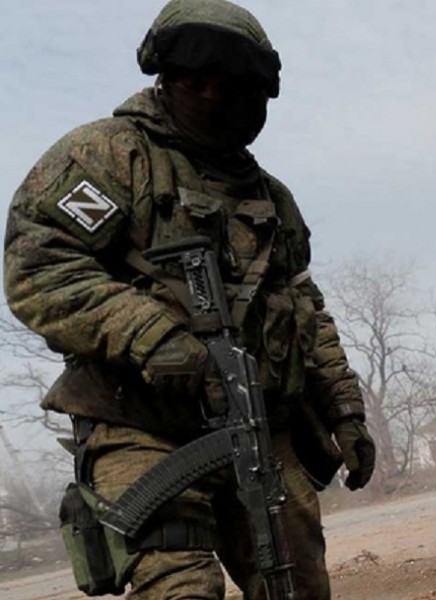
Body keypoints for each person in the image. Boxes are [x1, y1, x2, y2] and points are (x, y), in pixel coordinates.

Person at [4, 1, 376, 598]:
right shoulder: (109, 156)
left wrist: (344, 412)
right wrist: (156, 337)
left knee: (297, 588)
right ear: (166, 78)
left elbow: (304, 309)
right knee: (180, 588)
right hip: (142, 424)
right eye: (195, 82)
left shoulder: (270, 198)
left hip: (260, 425)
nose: (212, 97)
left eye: (232, 86)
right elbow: (39, 266)